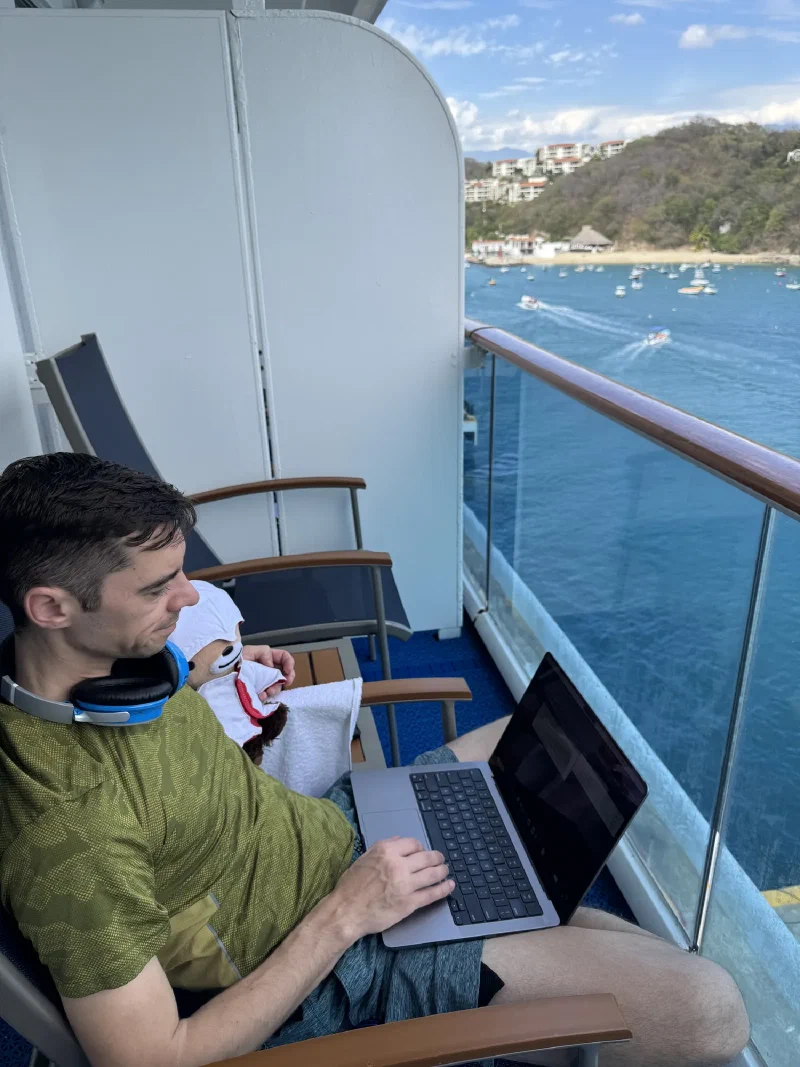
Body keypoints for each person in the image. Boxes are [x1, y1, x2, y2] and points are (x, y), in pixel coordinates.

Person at [0, 454, 749, 1067]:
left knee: (521, 738)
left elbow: (162, 697)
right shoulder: (69, 836)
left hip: (336, 834)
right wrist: (346, 913)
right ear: (52, 607)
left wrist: (215, 666)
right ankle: (524, 926)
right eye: (162, 586)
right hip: (329, 955)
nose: (191, 595)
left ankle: (517, 904)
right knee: (712, 1013)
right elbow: (157, 1057)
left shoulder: (111, 674)